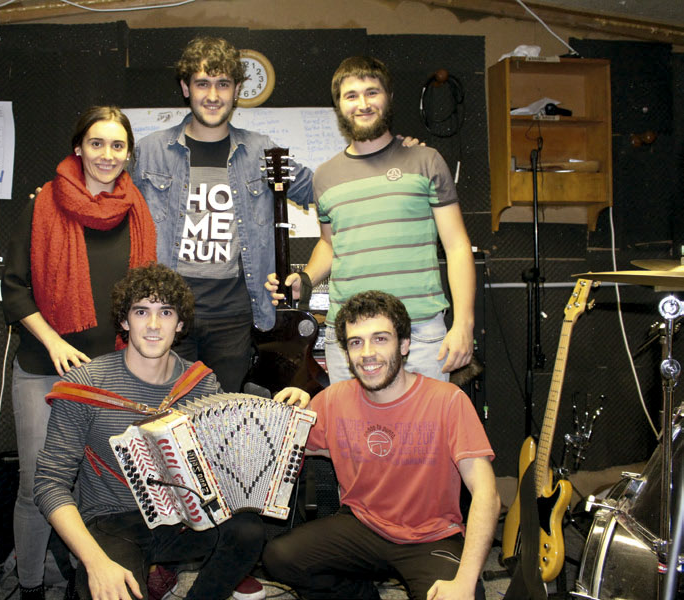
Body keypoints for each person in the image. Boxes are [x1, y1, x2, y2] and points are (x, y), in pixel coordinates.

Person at [34, 263, 308, 600]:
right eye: (141, 312)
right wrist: (95, 562)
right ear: (124, 321)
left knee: (248, 531)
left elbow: (229, 467)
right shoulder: (86, 385)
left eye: (165, 312)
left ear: (179, 324)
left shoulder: (200, 383)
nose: (153, 325)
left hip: (183, 521)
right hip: (113, 522)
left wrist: (286, 414)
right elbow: (49, 484)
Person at [2, 106, 157, 599]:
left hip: (111, 374)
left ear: (128, 153)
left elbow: (145, 295)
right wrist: (53, 342)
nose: (107, 154)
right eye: (96, 143)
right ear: (78, 148)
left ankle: (82, 575)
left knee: (97, 486)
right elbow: (14, 288)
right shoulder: (43, 204)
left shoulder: (137, 209)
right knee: (37, 485)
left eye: (117, 145)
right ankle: (29, 586)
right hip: (44, 369)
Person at [265, 290, 499, 600]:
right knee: (280, 557)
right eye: (356, 342)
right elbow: (283, 451)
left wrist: (465, 581)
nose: (367, 354)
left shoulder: (448, 401)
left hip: (430, 537)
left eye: (380, 339)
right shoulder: (333, 400)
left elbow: (487, 494)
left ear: (404, 345)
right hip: (362, 527)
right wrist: (289, 415)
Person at [266, 56, 475, 384]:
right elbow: (329, 244)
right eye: (351, 96)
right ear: (339, 106)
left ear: (388, 97)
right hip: (349, 337)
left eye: (371, 92)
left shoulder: (426, 161)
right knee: (349, 421)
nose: (362, 104)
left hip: (420, 334)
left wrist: (463, 323)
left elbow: (457, 246)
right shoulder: (325, 176)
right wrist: (305, 279)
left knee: (425, 421)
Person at [130, 36, 316, 394]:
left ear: (237, 90)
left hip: (234, 318)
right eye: (202, 84)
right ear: (186, 88)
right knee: (169, 414)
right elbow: (109, 201)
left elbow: (324, 191)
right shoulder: (151, 151)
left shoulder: (261, 151)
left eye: (223, 84)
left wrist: (383, 153)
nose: (213, 95)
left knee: (226, 416)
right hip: (166, 313)